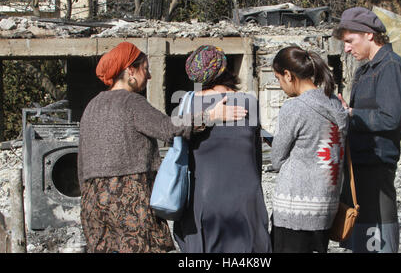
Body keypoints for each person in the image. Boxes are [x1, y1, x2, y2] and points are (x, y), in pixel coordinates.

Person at [77, 42, 247, 253]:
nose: (148, 77)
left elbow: (81, 163)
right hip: (128, 200)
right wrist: (210, 116)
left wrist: (87, 196)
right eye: (146, 69)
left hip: (93, 202)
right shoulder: (131, 102)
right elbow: (168, 128)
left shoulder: (91, 106)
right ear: (131, 70)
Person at [173, 45, 272, 253]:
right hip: (246, 201)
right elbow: (256, 158)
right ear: (225, 69)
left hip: (204, 200)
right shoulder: (248, 103)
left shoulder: (188, 105)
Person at [332, 7, 401, 253]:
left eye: (349, 41)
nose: (346, 48)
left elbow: (390, 118)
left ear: (369, 34)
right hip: (359, 166)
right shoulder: (366, 69)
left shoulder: (390, 66)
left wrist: (351, 113)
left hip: (376, 167)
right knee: (359, 239)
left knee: (377, 237)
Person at [270, 46, 349, 253]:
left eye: (278, 79)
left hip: (294, 208)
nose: (280, 85)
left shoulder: (294, 108)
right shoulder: (335, 104)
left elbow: (277, 159)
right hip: (326, 207)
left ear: (288, 75)